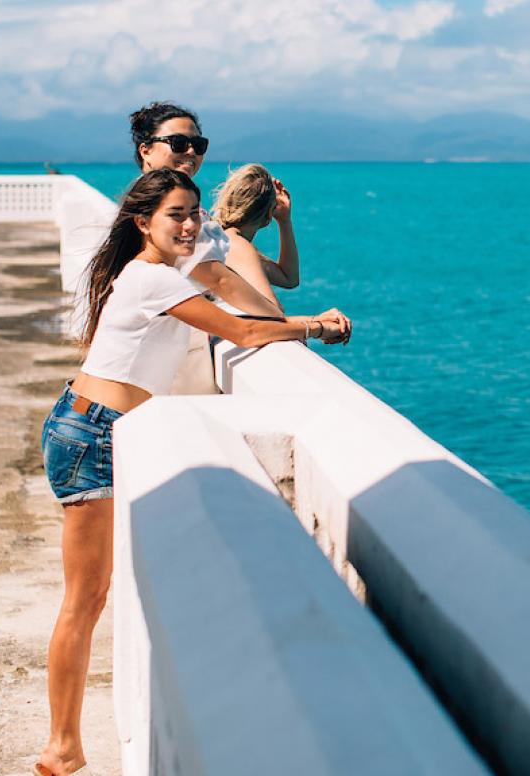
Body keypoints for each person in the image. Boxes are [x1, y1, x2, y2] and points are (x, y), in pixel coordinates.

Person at [33, 169, 348, 776]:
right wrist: (316, 324)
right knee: (85, 599)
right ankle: (61, 746)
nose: (189, 223)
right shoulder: (152, 278)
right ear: (142, 223)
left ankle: (65, 745)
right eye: (175, 214)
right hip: (92, 434)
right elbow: (241, 329)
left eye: (195, 213)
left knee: (97, 594)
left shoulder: (163, 275)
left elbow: (247, 298)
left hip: (97, 427)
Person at [128, 101, 347, 390]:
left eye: (199, 144)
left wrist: (284, 221)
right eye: (178, 143)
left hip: (149, 372)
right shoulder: (168, 224)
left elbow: (280, 284)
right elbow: (259, 313)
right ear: (146, 150)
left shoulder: (155, 213)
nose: (191, 151)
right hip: (150, 377)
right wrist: (314, 325)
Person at [211, 163, 299, 313]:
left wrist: (285, 222)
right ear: (268, 216)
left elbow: (289, 278)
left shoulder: (222, 237)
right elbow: (275, 312)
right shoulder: (236, 244)